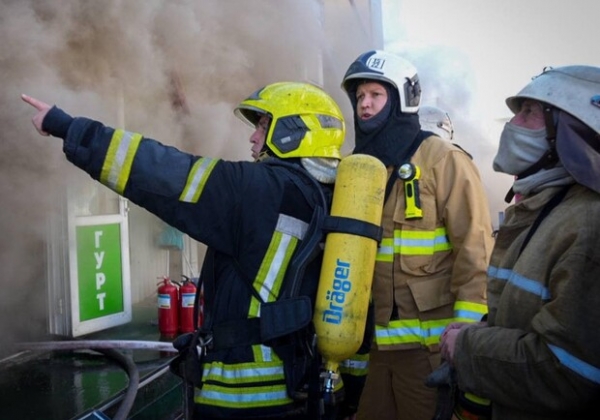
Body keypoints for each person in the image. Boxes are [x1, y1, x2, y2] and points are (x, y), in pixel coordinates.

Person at [22, 81, 359, 420]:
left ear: (292, 133)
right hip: (310, 385)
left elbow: (159, 171)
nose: (253, 137)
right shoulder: (335, 199)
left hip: (245, 398)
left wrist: (68, 127)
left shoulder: (255, 189)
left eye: (263, 125)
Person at [339, 50, 494, 420]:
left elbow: (475, 250)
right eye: (359, 97)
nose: (365, 104)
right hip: (379, 351)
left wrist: (465, 337)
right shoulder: (359, 169)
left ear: (401, 99)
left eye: (375, 95)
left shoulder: (442, 159)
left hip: (431, 351)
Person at [439, 65, 600, 419]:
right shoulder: (546, 210)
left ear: (570, 132)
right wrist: (486, 330)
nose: (513, 123)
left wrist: (468, 347)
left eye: (528, 112)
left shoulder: (588, 225)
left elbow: (567, 371)